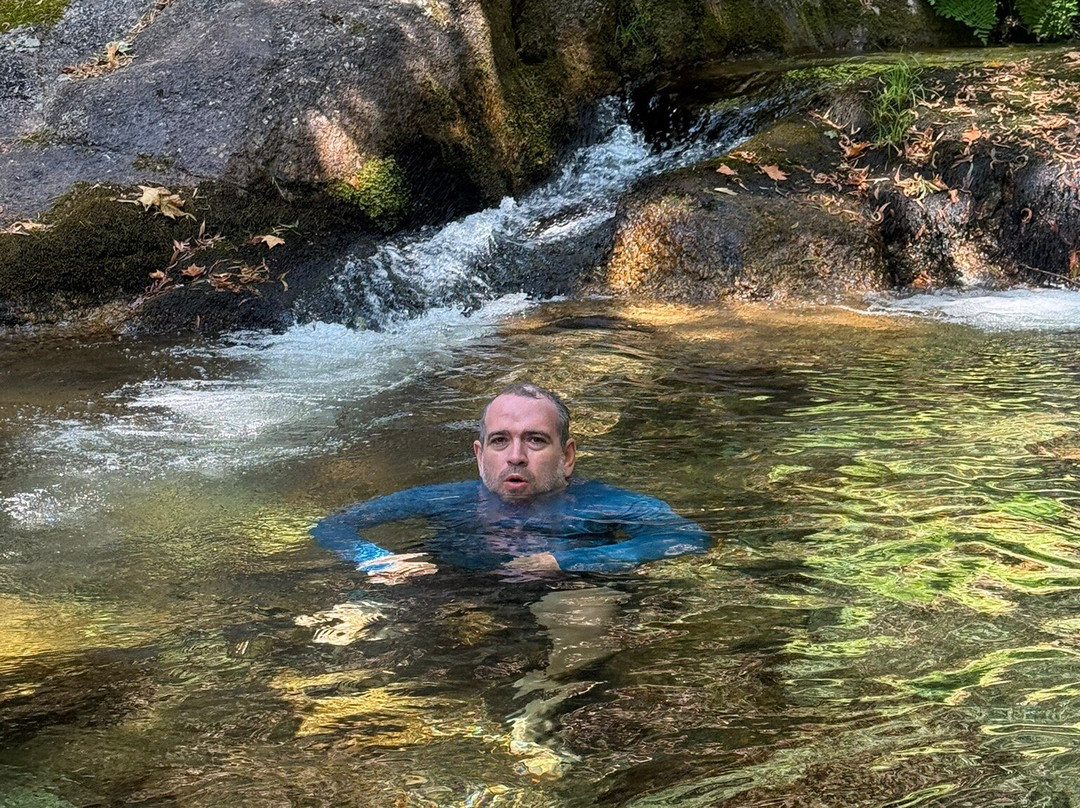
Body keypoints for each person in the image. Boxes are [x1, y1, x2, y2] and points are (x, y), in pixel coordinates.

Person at [311, 383, 711, 583]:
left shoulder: (600, 502)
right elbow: (331, 526)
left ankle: (547, 702)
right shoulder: (444, 500)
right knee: (367, 603)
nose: (515, 456)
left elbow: (687, 538)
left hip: (568, 589)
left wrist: (565, 562)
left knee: (582, 609)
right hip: (457, 587)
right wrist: (375, 558)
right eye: (500, 441)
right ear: (479, 454)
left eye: (535, 440)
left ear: (567, 456)